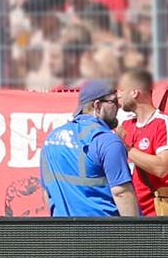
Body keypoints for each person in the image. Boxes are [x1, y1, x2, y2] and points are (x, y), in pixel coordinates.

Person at [40, 79, 138, 218]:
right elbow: (122, 193)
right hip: (102, 234)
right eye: (114, 102)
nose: (119, 106)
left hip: (62, 234)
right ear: (97, 106)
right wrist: (135, 234)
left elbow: (46, 193)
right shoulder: (107, 141)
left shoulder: (51, 138)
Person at [116, 68, 168, 217]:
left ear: (134, 92)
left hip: (157, 214)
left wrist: (126, 148)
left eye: (121, 89)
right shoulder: (126, 125)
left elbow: (161, 167)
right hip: (129, 213)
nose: (118, 95)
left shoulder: (164, 122)